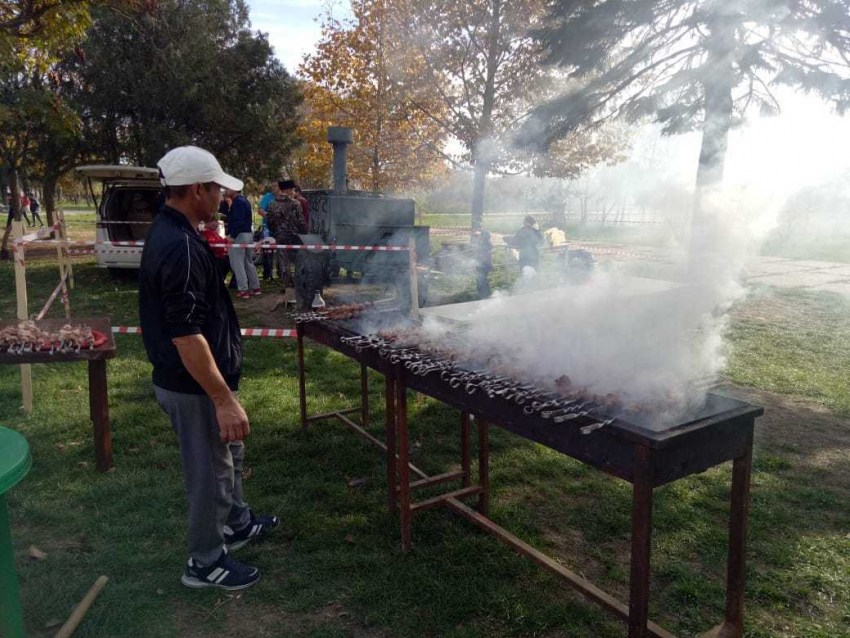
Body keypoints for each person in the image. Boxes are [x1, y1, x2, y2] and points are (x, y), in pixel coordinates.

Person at [139, 146, 278, 592]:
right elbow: (185, 335)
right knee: (210, 472)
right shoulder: (177, 244)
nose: (222, 196)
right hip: (192, 385)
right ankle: (204, 560)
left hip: (202, 380)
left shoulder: (182, 231)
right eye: (217, 187)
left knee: (229, 455)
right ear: (197, 189)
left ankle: (236, 523)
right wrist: (223, 399)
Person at [266, 179, 306, 288]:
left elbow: (269, 221)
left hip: (280, 236)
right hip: (294, 236)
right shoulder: (296, 203)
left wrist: (275, 231)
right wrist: (304, 234)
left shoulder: (272, 204)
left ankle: (286, 284)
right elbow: (301, 221)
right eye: (292, 189)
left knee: (283, 261)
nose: (293, 191)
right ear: (288, 190)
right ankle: (299, 282)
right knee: (298, 259)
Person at [225, 187, 261, 298]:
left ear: (234, 190)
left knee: (237, 264)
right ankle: (256, 288)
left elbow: (238, 221)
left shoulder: (237, 202)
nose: (226, 191)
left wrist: (233, 236)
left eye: (227, 189)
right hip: (248, 234)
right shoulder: (244, 200)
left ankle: (243, 289)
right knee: (248, 262)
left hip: (239, 236)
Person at [257, 184, 277, 281]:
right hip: (268, 229)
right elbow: (260, 210)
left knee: (282, 250)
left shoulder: (284, 197)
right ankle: (267, 274)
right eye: (273, 186)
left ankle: (281, 273)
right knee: (268, 250)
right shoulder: (268, 197)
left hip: (281, 229)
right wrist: (270, 217)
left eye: (276, 186)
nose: (274, 188)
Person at [473, 230, 493, 298]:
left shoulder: (485, 245)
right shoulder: (485, 243)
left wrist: (478, 263)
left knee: (481, 280)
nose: (480, 237)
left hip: (483, 265)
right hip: (483, 265)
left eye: (481, 235)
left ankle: (485, 295)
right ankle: (484, 294)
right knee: (481, 279)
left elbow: (483, 257)